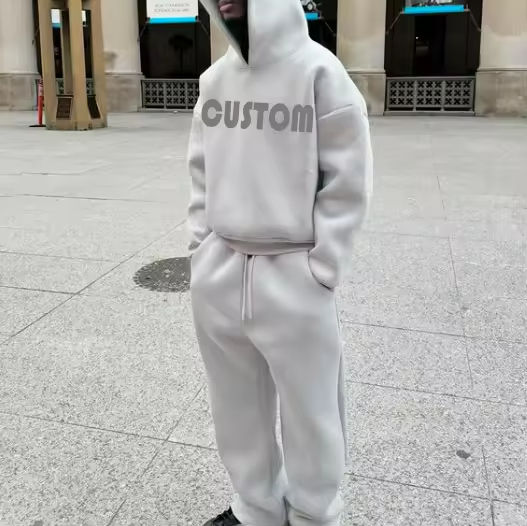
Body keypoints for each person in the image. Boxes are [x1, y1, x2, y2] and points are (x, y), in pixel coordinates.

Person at [187, 0, 373, 524]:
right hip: (222, 269)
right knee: (235, 405)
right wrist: (201, 249)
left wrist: (323, 268)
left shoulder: (319, 72)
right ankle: (256, 508)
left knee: (311, 410)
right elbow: (200, 171)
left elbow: (348, 176)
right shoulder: (214, 82)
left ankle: (314, 513)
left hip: (294, 271)